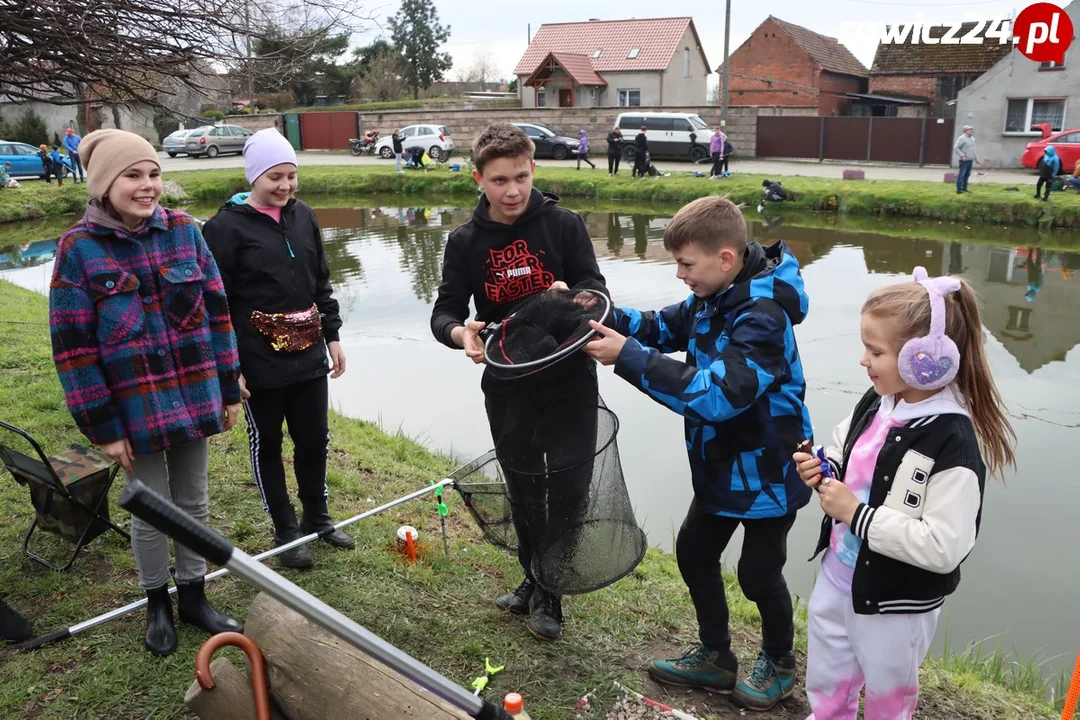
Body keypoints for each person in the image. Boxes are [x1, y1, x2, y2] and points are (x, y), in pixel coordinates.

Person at [583, 195, 813, 711]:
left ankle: (779, 661)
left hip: (770, 468)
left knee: (758, 572)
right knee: (694, 551)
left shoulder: (764, 315)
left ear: (725, 258)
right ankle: (715, 656)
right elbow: (660, 327)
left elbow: (720, 396)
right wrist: (596, 313)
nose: (681, 275)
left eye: (686, 264)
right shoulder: (714, 296)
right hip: (720, 463)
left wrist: (629, 358)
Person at [48, 128, 244, 656]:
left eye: (154, 173)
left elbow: (220, 313)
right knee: (152, 508)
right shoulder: (77, 249)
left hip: (194, 393)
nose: (147, 185)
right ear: (105, 183)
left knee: (194, 501)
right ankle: (157, 602)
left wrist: (229, 388)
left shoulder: (185, 231)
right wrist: (104, 429)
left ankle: (195, 596)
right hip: (133, 408)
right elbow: (73, 349)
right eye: (133, 175)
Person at [794, 267, 1015, 720]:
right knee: (827, 677)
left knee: (887, 694)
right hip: (839, 576)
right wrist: (826, 466)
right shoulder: (879, 400)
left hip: (896, 604)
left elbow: (944, 546)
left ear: (924, 359)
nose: (863, 361)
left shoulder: (951, 439)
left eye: (874, 351)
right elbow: (846, 445)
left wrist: (856, 514)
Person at [430, 123, 608, 642]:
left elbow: (595, 287)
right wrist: (462, 333)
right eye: (501, 180)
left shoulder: (565, 225)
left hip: (570, 377)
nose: (513, 191)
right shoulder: (464, 242)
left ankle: (549, 588)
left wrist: (572, 297)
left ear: (534, 170)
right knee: (525, 485)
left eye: (522, 177)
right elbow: (444, 311)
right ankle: (537, 580)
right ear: (478, 178)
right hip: (508, 384)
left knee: (571, 488)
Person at [202, 128, 352, 570]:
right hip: (257, 362)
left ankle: (317, 518)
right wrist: (231, 368)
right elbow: (217, 304)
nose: (285, 186)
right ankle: (286, 531)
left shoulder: (303, 215)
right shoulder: (224, 228)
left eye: (291, 175)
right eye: (275, 177)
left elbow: (320, 280)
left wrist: (333, 335)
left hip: (308, 354)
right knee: (267, 442)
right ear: (253, 177)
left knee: (314, 440)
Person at [953, 125, 976, 194]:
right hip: (964, 160)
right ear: (965, 131)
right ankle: (959, 190)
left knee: (967, 174)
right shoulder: (962, 138)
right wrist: (962, 156)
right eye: (970, 129)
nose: (972, 131)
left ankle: (964, 188)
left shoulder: (972, 138)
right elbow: (956, 148)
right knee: (961, 175)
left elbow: (973, 149)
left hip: (970, 159)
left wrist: (976, 158)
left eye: (972, 129)